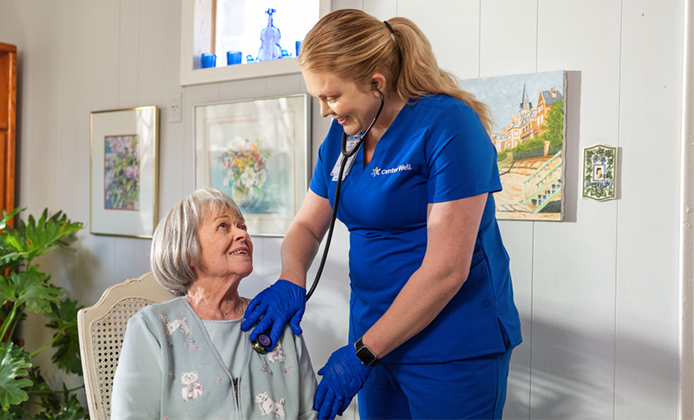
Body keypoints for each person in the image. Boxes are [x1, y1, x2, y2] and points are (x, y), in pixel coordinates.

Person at [241, 9, 522, 420]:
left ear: (377, 82)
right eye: (318, 97)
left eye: (331, 96)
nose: (323, 111)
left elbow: (447, 269)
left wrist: (362, 353)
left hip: (451, 345)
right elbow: (305, 225)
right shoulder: (342, 136)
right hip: (373, 344)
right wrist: (291, 278)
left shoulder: (449, 126)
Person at [111, 187, 317, 419]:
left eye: (242, 226)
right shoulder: (152, 328)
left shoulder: (275, 319)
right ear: (188, 250)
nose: (242, 235)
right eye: (223, 226)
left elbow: (310, 414)